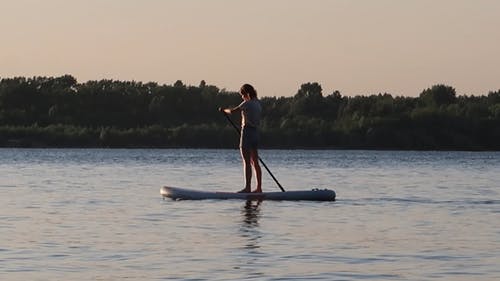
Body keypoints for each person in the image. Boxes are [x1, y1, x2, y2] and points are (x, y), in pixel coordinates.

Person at [220, 84, 263, 193]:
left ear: (246, 94)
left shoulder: (247, 103)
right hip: (256, 133)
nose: (242, 98)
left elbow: (233, 111)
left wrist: (224, 111)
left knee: (247, 161)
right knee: (255, 162)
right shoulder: (258, 104)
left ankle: (247, 188)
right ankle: (259, 188)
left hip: (247, 132)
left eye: (242, 95)